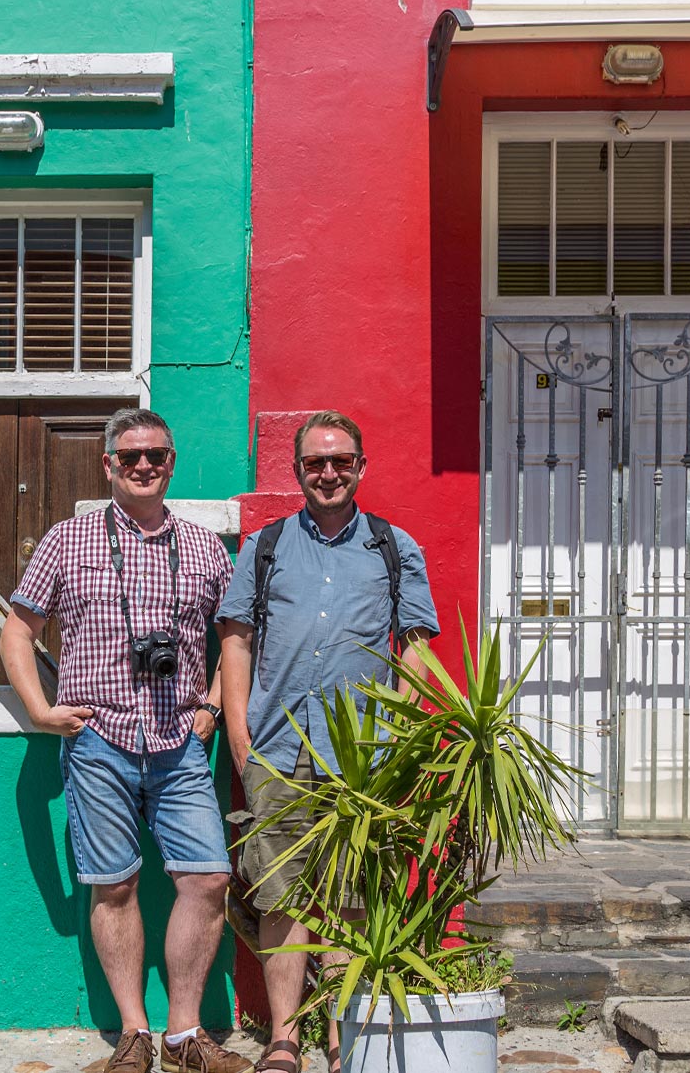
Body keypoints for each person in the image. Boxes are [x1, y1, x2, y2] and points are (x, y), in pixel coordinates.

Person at [0, 407, 252, 1073]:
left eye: (157, 455)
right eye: (131, 456)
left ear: (172, 462)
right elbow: (17, 628)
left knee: (206, 879)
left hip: (178, 743)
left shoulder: (203, 548)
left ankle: (186, 1035)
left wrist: (217, 704)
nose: (144, 465)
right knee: (113, 887)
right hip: (99, 743)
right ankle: (134, 1036)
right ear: (108, 464)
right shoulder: (68, 540)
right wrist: (39, 709)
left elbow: (232, 638)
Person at [215, 410, 439, 1073]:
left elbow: (417, 650)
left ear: (361, 468)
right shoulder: (266, 546)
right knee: (280, 895)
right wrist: (238, 733)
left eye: (341, 461)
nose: (329, 473)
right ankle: (286, 1038)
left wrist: (395, 736)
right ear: (297, 472)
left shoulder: (394, 548)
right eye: (316, 462)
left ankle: (346, 1035)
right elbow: (236, 638)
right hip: (278, 752)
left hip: (362, 758)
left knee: (351, 899)